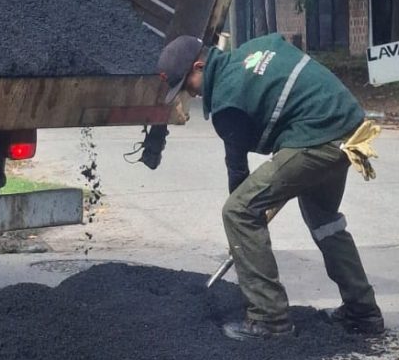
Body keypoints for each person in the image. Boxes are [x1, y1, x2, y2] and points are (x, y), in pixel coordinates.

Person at [156, 32, 384, 341]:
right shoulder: (251, 51)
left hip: (318, 134)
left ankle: (269, 319)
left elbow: (239, 179)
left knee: (237, 212)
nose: (190, 95)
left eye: (186, 85)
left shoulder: (226, 99)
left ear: (199, 66)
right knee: (323, 217)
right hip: (347, 124)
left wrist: (242, 234)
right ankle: (363, 312)